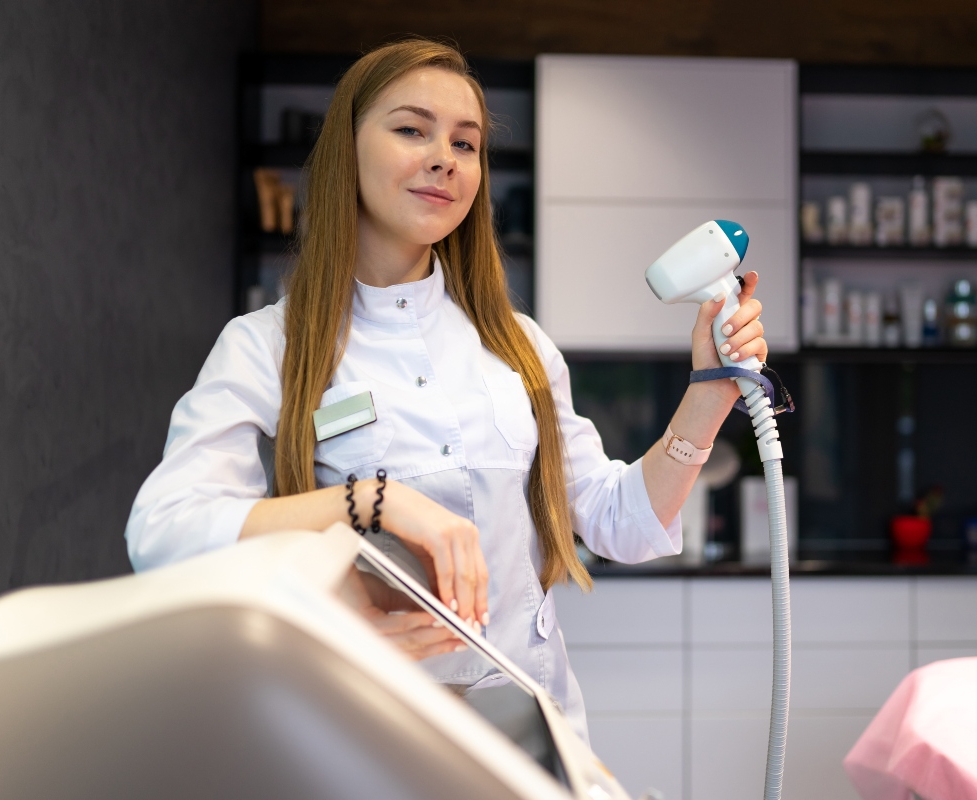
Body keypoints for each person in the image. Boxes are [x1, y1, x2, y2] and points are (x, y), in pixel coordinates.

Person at [125, 39, 768, 740]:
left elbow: (622, 523)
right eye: (411, 129)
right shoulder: (265, 348)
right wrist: (374, 501)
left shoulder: (518, 346)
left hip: (531, 734)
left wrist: (710, 393)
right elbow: (164, 530)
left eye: (466, 143)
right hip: (364, 739)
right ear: (348, 150)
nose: (445, 157)